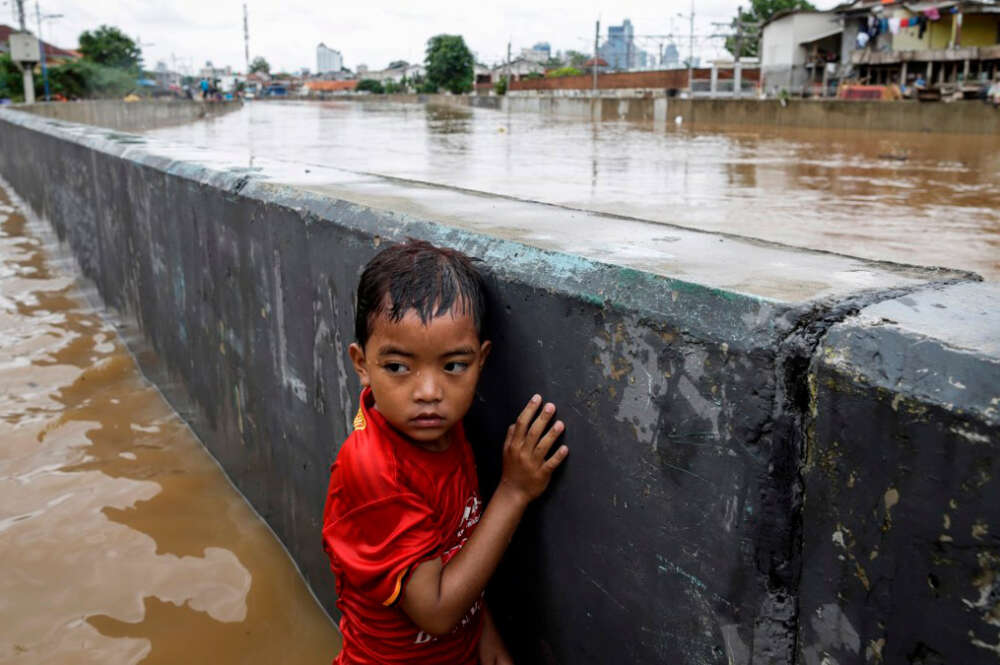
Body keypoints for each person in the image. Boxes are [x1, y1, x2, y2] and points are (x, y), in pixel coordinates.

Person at [322, 240, 569, 665]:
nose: (430, 393)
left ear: (481, 360)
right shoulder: (376, 471)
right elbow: (435, 612)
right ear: (361, 364)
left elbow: (454, 545)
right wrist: (513, 491)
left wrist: (483, 633)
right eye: (398, 367)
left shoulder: (445, 432)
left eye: (454, 366)